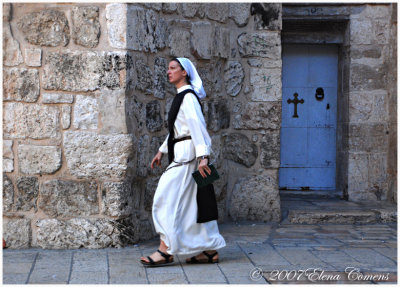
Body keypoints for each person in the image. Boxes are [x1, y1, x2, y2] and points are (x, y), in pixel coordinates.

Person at [140, 57, 226, 267]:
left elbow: (197, 127)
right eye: (168, 68)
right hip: (183, 155)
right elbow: (178, 130)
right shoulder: (182, 97)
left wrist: (203, 158)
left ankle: (165, 250)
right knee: (192, 206)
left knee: (164, 200)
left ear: (184, 72)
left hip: (188, 158)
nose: (168, 72)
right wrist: (161, 151)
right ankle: (209, 250)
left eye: (172, 68)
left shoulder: (188, 98)